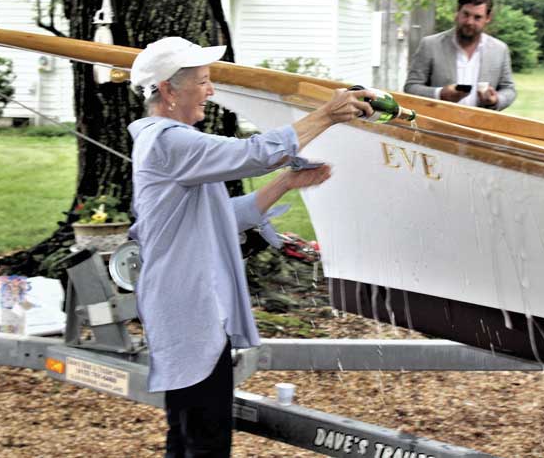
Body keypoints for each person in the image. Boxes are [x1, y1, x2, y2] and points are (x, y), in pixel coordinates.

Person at [127, 36, 373, 458]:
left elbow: (225, 215)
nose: (211, 91)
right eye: (203, 81)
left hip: (188, 311)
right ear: (169, 90)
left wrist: (286, 182)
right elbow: (255, 153)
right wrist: (328, 115)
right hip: (189, 313)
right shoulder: (169, 141)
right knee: (203, 441)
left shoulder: (166, 142)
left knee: (188, 435)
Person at [403, 0, 516, 110]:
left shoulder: (499, 49)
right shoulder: (430, 45)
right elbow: (411, 87)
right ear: (457, 13)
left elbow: (509, 89)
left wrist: (496, 99)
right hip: (438, 124)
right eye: (466, 14)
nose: (469, 22)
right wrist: (440, 94)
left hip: (481, 124)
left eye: (477, 17)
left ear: (488, 18)